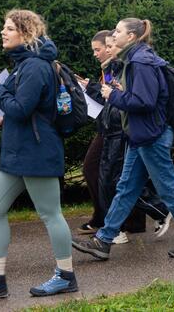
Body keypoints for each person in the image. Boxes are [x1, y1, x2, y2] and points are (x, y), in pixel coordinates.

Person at [72, 18, 174, 260]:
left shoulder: (141, 61)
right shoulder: (133, 60)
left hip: (151, 134)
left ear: (132, 37)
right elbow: (142, 96)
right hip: (141, 133)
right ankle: (103, 240)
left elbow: (144, 102)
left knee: (168, 188)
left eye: (118, 31)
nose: (114, 34)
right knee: (126, 188)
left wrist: (113, 95)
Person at [0, 10, 78, 299]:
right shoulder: (23, 65)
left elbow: (20, 108)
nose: (2, 32)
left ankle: (66, 275)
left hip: (36, 152)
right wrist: (1, 115)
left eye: (8, 28)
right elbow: (20, 109)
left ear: (26, 33)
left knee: (50, 213)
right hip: (18, 152)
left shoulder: (34, 66)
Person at [86, 32, 172, 243]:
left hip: (125, 131)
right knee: (119, 182)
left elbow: (139, 101)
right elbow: (113, 97)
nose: (101, 52)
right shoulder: (114, 67)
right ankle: (111, 230)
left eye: (104, 47)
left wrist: (110, 92)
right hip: (115, 129)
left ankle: (168, 217)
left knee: (122, 182)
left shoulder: (135, 63)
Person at [75, 30, 112, 236]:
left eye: (97, 50)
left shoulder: (113, 68)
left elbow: (112, 97)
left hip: (111, 128)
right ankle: (128, 221)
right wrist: (90, 86)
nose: (95, 54)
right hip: (107, 126)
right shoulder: (106, 69)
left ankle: (103, 219)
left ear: (109, 47)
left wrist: (91, 88)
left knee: (92, 168)